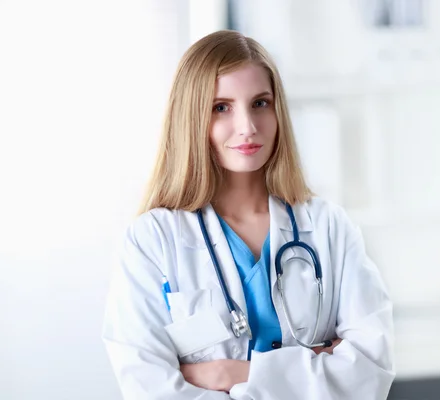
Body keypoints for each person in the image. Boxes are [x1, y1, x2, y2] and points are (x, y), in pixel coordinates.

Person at [102, 30, 395, 399]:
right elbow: (149, 388)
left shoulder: (328, 227)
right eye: (221, 107)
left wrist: (234, 373)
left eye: (260, 103)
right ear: (192, 119)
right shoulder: (152, 241)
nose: (248, 127)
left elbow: (369, 372)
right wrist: (313, 369)